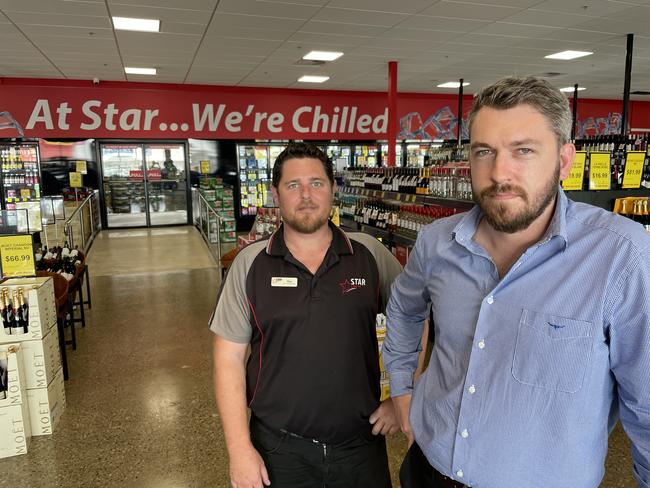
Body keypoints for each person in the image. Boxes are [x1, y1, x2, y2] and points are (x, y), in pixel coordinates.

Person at [384, 76, 650, 488]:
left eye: (523, 150)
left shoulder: (621, 256)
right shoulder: (437, 242)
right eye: (484, 152)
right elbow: (403, 309)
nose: (499, 173)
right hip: (427, 470)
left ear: (564, 161)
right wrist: (402, 388)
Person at [211, 142, 403, 488]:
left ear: (332, 190)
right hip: (278, 449)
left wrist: (402, 398)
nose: (306, 195)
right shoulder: (250, 263)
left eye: (316, 183)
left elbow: (415, 319)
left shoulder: (369, 255)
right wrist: (238, 450)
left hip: (361, 446)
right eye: (293, 185)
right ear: (276, 194)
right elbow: (228, 360)